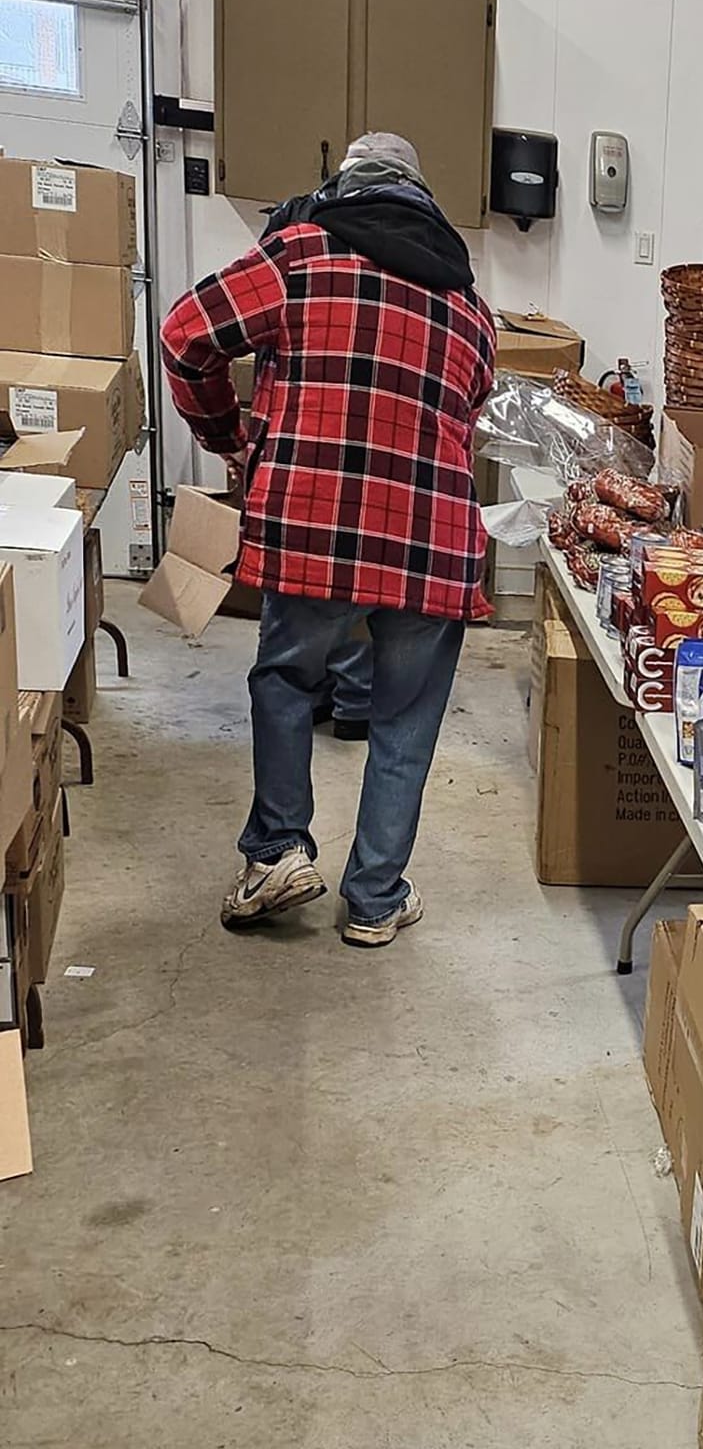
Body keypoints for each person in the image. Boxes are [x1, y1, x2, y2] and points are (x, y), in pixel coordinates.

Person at [162, 132, 495, 947]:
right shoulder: (472, 309)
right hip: (433, 539)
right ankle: (376, 899)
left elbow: (184, 334)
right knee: (406, 722)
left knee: (285, 678)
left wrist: (229, 434)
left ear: (344, 188)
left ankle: (277, 851)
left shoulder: (301, 252)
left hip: (315, 519)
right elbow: (467, 423)